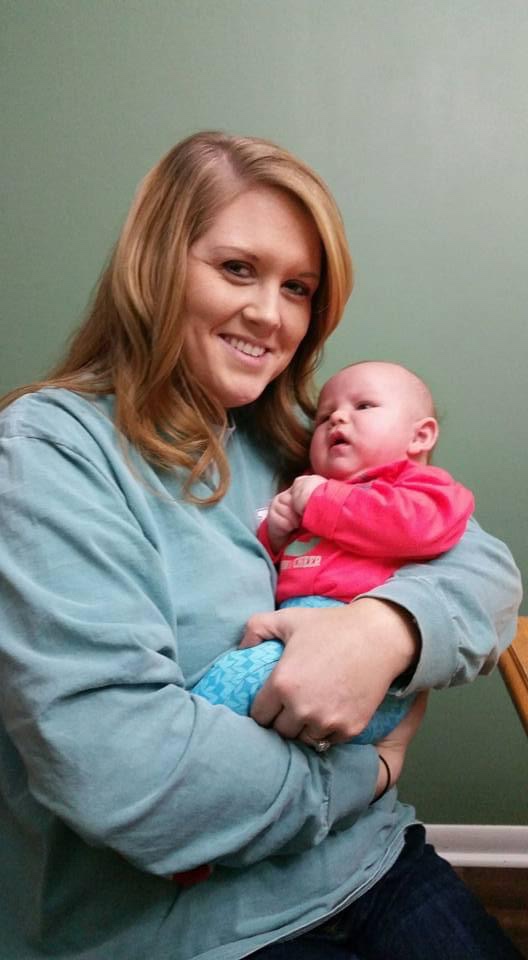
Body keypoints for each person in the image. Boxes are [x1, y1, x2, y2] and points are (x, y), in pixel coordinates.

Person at [0, 131, 522, 960]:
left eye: (298, 288)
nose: (271, 315)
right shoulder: (49, 454)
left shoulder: (297, 441)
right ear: (154, 266)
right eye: (238, 269)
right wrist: (370, 773)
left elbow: (484, 566)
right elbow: (129, 780)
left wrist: (385, 629)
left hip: (369, 864)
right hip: (185, 932)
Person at [192, 360, 475, 746]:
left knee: (223, 694)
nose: (337, 418)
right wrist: (275, 535)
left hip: (359, 656)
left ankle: (177, 747)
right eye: (324, 417)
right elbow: (264, 569)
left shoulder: (423, 488)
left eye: (364, 406)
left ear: (420, 436)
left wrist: (321, 499)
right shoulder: (312, 491)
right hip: (290, 633)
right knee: (241, 710)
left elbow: (419, 528)